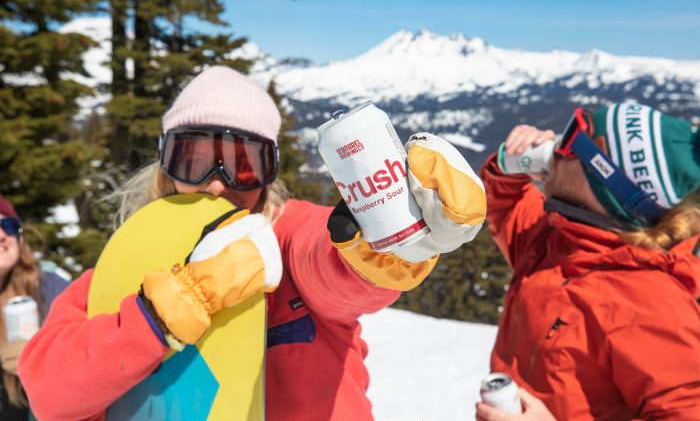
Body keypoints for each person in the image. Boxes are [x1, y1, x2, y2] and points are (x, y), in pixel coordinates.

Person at [18, 66, 487, 420]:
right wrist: (161, 313)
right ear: (166, 166)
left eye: (242, 164)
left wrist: (384, 246)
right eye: (196, 159)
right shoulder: (128, 259)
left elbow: (329, 264)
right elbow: (49, 390)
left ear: (269, 174)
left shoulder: (285, 236)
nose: (219, 184)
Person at [476, 103, 700, 420]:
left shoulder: (651, 304)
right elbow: (506, 210)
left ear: (604, 182)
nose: (557, 146)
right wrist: (508, 166)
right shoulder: (560, 239)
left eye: (572, 140)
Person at [0, 196, 69, 421]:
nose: (2, 235)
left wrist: (38, 359)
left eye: (8, 226)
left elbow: (84, 352)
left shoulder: (48, 288)